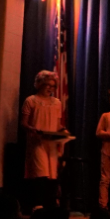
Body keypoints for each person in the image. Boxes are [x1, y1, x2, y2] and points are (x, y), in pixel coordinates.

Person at [21, 70, 66, 211]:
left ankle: (51, 204)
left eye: (53, 86)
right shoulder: (31, 100)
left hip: (51, 143)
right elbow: (24, 123)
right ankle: (37, 204)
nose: (50, 89)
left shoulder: (57, 103)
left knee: (52, 174)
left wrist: (62, 132)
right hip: (37, 142)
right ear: (40, 84)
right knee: (40, 172)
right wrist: (32, 129)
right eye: (47, 85)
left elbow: (58, 125)